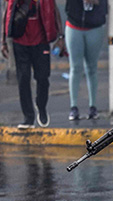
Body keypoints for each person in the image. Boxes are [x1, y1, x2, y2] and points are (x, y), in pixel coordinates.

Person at [2, 0, 64, 128]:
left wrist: (60, 36)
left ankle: (41, 107)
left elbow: (54, 11)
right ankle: (28, 117)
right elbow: (7, 13)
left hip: (41, 41)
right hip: (20, 42)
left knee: (43, 78)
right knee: (23, 79)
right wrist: (3, 41)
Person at [64, 0, 107, 121]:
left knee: (92, 68)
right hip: (74, 25)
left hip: (94, 27)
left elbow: (104, 7)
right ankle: (74, 107)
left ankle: (93, 106)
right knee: (75, 67)